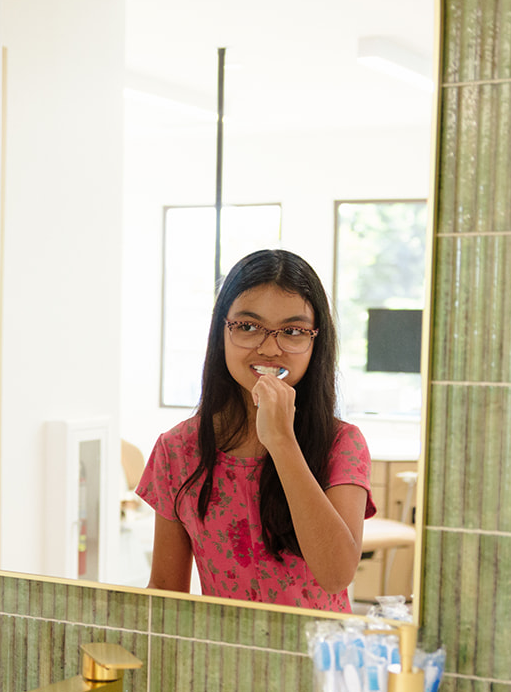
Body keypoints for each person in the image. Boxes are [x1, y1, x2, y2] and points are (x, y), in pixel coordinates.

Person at [137, 249, 375, 611]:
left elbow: (337, 574)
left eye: (293, 331)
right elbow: (166, 589)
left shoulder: (342, 444)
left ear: (315, 342)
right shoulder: (178, 449)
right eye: (248, 326)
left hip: (320, 661)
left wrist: (282, 442)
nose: (269, 348)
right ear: (222, 332)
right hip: (224, 660)